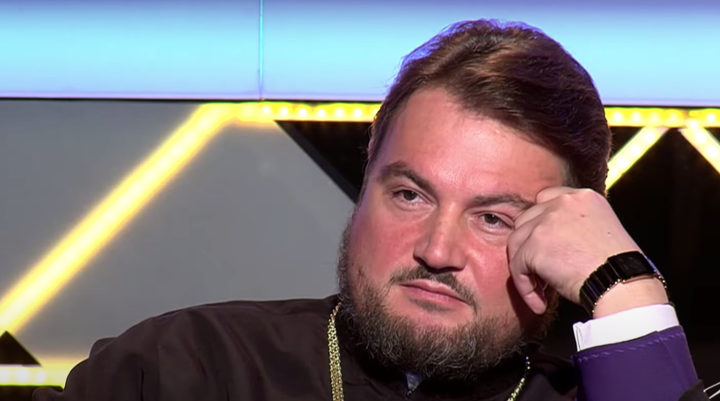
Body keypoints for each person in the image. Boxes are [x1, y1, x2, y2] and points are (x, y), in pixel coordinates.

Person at [34, 19, 709, 401]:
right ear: (366, 185)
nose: (436, 251)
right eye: (410, 195)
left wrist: (625, 287)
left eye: (493, 218)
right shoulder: (186, 368)